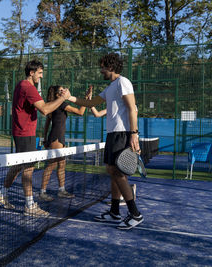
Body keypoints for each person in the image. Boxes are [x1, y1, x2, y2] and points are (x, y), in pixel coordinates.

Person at [68, 53, 143, 230]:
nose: (100, 69)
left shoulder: (123, 82)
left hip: (122, 133)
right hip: (112, 133)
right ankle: (115, 211)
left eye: (102, 66)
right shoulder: (110, 87)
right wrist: (69, 97)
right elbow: (90, 103)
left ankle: (135, 214)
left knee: (117, 172)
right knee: (111, 170)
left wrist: (134, 134)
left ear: (110, 67)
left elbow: (132, 108)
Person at [0, 59, 71, 217]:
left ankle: (1, 194)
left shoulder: (22, 85)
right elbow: (45, 110)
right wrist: (63, 98)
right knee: (28, 168)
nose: (41, 77)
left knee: (19, 165)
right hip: (24, 133)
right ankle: (29, 205)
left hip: (23, 132)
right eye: (40, 73)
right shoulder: (28, 87)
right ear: (31, 73)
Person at [39, 85, 92, 202]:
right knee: (51, 165)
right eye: (62, 90)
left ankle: (61, 190)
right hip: (56, 138)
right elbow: (80, 112)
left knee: (62, 164)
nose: (65, 91)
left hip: (58, 138)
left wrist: (45, 138)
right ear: (58, 95)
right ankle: (42, 192)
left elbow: (48, 122)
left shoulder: (53, 104)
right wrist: (86, 99)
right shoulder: (61, 104)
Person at [90, 104, 137, 206]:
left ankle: (125, 199)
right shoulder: (112, 106)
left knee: (119, 171)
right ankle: (123, 197)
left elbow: (134, 121)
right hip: (112, 137)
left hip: (123, 137)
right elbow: (97, 114)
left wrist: (134, 138)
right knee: (114, 171)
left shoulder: (131, 106)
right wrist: (90, 102)